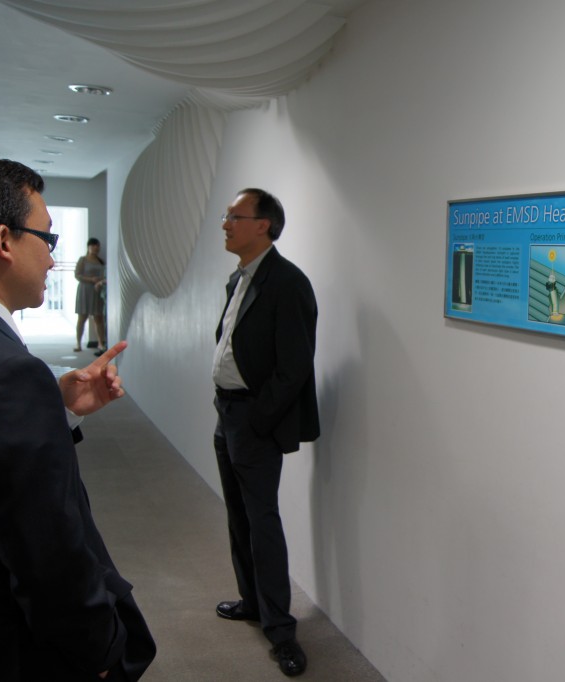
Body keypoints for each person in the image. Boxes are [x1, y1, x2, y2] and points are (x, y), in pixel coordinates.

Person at [0, 154, 156, 681]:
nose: (52, 257)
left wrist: (52, 408)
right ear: (4, 241)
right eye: (47, 238)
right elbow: (49, 558)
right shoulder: (8, 374)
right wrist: (98, 654)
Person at [212, 188, 319, 677]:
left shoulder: (288, 282)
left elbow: (294, 366)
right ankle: (252, 602)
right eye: (227, 216)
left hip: (253, 420)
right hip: (227, 413)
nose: (225, 224)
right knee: (238, 515)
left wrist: (257, 419)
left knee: (262, 523)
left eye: (235, 216)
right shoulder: (240, 277)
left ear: (263, 225)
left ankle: (281, 631)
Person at [74, 237, 107, 355]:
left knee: (98, 318)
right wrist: (91, 279)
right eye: (93, 245)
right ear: (88, 247)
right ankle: (78, 343)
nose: (96, 248)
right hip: (84, 290)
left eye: (97, 245)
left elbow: (106, 275)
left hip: (97, 291)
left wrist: (100, 280)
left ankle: (101, 343)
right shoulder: (83, 260)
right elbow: (77, 275)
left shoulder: (101, 261)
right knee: (82, 317)